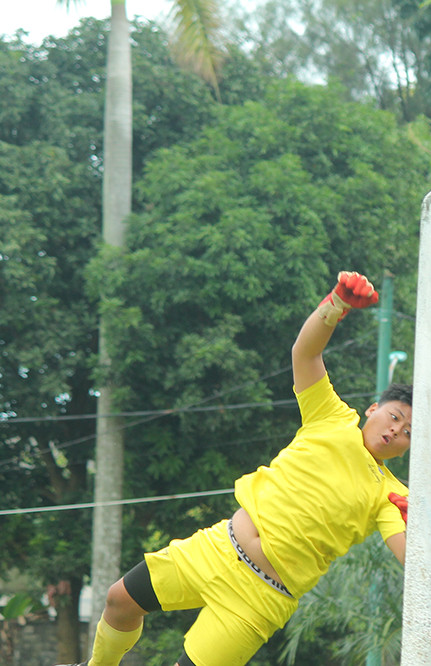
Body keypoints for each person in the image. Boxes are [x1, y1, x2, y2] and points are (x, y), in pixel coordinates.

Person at [60, 271, 412, 666]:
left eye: (409, 432)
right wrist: (338, 304)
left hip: (260, 599)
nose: (396, 430)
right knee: (119, 599)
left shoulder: (390, 494)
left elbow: (409, 557)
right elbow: (305, 353)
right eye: (395, 416)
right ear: (373, 409)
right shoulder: (331, 417)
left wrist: (422, 526)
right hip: (217, 548)